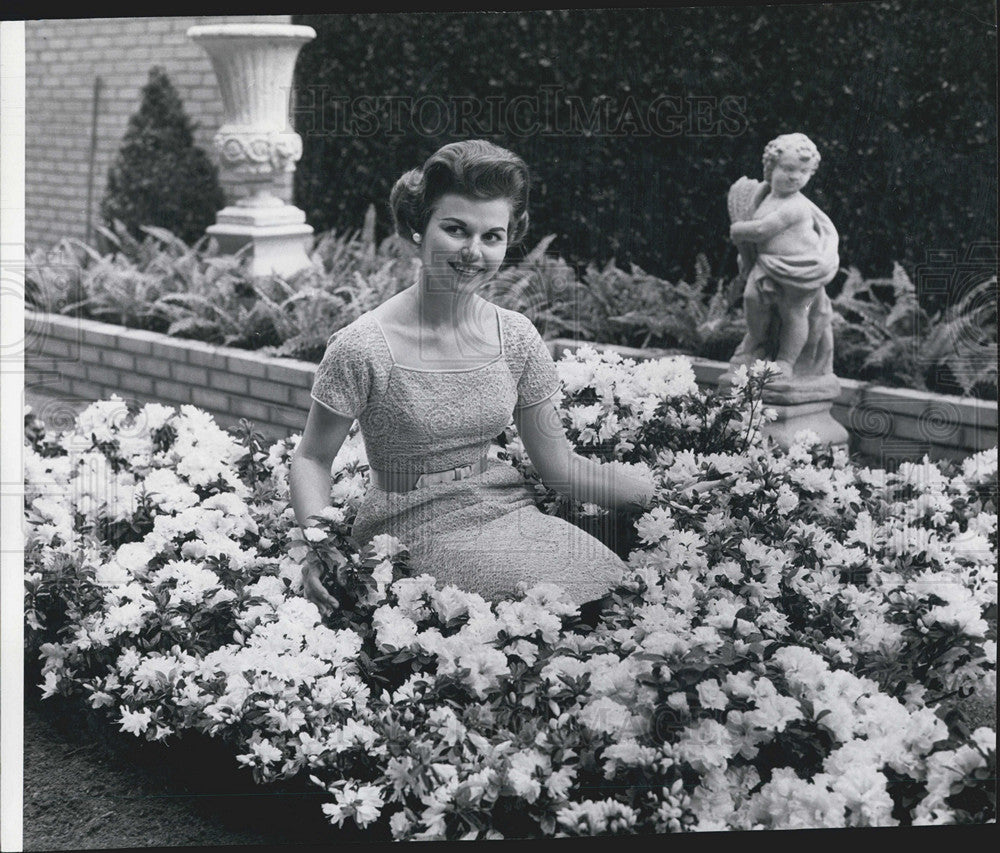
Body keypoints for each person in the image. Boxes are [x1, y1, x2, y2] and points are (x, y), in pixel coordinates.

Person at [290, 140, 654, 618]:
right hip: (407, 523)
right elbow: (313, 458)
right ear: (418, 229)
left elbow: (561, 468)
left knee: (613, 585)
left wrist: (656, 495)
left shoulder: (516, 337)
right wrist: (318, 542)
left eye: (491, 236)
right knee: (554, 608)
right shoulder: (362, 347)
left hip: (504, 508)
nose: (473, 252)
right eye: (455, 229)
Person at [728, 133, 839, 380]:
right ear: (770, 167)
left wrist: (739, 230)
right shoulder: (765, 195)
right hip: (768, 266)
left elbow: (762, 229)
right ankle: (758, 341)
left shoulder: (795, 205)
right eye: (788, 169)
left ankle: (786, 361)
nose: (795, 176)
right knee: (751, 298)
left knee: (794, 313)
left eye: (804, 171)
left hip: (798, 269)